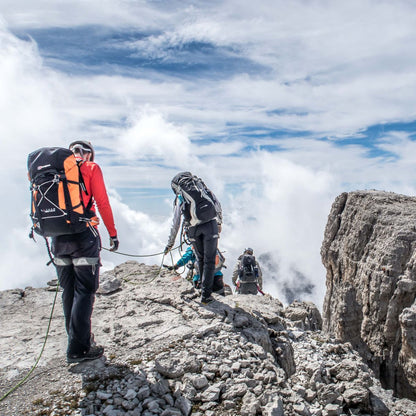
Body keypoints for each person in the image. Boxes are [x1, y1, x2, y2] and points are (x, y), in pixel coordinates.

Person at [51, 140, 119, 363]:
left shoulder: (55, 172)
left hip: (58, 239)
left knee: (68, 290)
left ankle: (76, 340)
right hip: (83, 237)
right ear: (88, 154)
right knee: (85, 290)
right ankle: (79, 348)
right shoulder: (91, 168)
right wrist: (112, 233)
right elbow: (102, 202)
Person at [164, 172, 222, 304]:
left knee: (200, 258)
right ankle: (206, 295)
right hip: (210, 226)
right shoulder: (203, 189)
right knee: (209, 261)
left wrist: (170, 243)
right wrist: (219, 222)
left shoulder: (180, 197)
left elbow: (176, 221)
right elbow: (217, 204)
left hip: (193, 229)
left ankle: (201, 289)